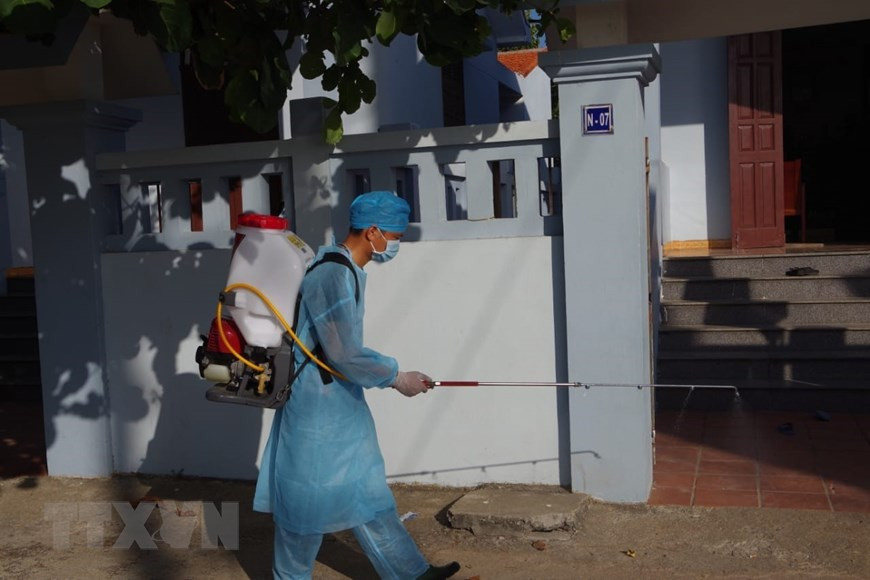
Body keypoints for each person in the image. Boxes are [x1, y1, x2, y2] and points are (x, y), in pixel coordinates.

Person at [254, 191, 460, 580]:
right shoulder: (333, 274)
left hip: (341, 402)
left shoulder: (345, 269)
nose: (395, 245)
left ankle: (410, 573)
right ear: (373, 232)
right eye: (395, 237)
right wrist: (397, 377)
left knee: (369, 492)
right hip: (317, 408)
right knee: (305, 504)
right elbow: (344, 353)